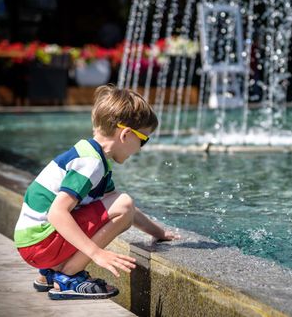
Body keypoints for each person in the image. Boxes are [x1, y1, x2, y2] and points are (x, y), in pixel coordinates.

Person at [13, 84, 180, 300]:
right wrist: (96, 254)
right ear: (126, 134)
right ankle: (68, 277)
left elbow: (119, 207)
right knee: (124, 203)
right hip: (39, 244)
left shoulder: (92, 156)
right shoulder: (90, 164)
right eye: (144, 140)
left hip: (35, 244)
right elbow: (57, 212)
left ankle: (51, 273)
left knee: (121, 202)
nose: (141, 148)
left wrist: (159, 233)